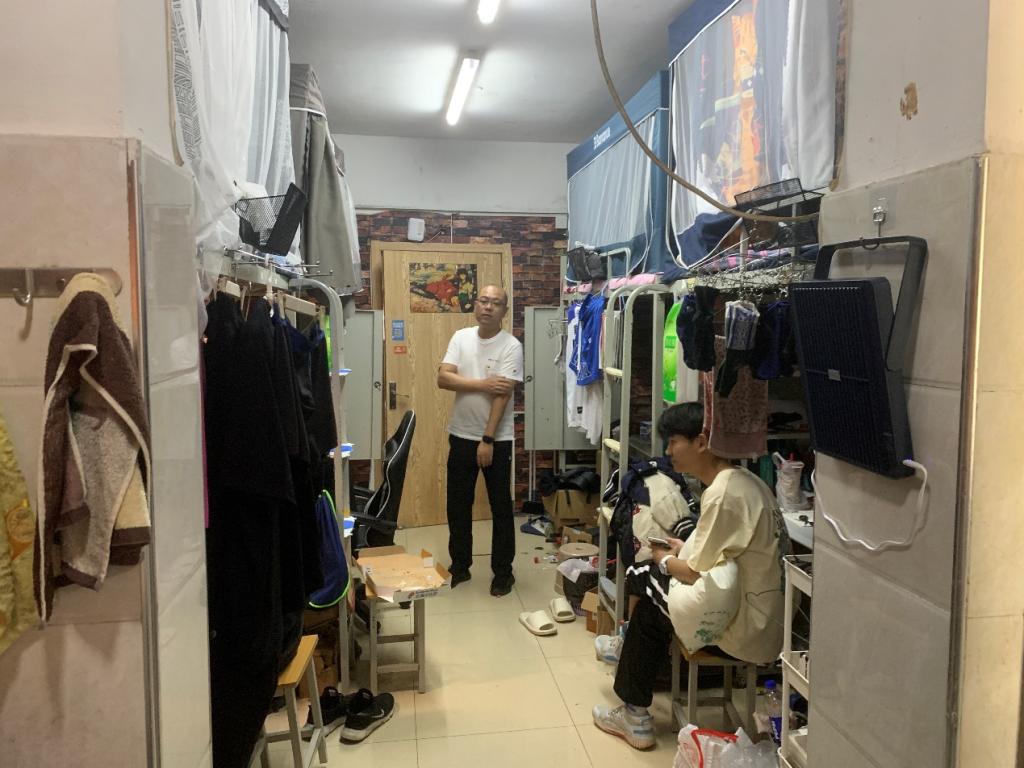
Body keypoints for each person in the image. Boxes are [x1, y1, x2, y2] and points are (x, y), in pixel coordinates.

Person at [593, 402, 789, 750]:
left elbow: (694, 571)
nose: (668, 452)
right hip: (762, 620)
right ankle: (627, 659)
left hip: (741, 629)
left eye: (673, 442)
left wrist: (664, 559)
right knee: (651, 590)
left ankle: (634, 710)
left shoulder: (723, 493)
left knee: (644, 575)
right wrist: (682, 547)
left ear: (701, 441)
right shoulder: (747, 483)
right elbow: (720, 550)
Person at [436, 284, 523, 596]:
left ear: (504, 311)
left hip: (496, 440)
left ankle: (503, 573)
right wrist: (483, 383)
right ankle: (460, 566)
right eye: (483, 301)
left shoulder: (511, 346)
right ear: (475, 304)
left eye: (495, 303)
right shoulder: (461, 337)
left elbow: (502, 395)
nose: (488, 307)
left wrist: (487, 439)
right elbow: (443, 377)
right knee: (458, 505)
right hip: (460, 435)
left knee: (500, 508)